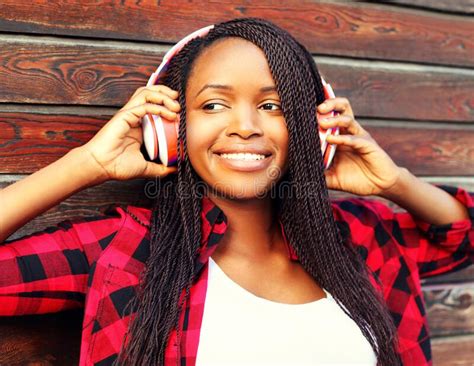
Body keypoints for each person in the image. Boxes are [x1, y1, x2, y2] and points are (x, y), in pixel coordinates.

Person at [0, 17, 472, 366]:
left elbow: (462, 237)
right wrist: (87, 163)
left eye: (272, 105)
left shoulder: (361, 237)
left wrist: (394, 183)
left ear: (314, 130)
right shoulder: (123, 249)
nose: (245, 127)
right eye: (213, 104)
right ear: (170, 129)